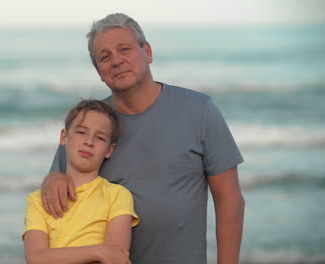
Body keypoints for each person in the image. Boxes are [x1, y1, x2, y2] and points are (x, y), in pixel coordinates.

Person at [41, 13, 245, 264]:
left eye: (124, 49)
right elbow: (58, 183)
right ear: (99, 72)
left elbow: (229, 198)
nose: (116, 61)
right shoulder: (91, 125)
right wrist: (53, 178)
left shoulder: (199, 110)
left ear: (147, 52)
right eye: (104, 57)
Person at [23, 99, 139, 264]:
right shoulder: (37, 200)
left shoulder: (117, 196)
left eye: (99, 137)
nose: (89, 142)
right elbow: (36, 258)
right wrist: (99, 251)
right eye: (81, 132)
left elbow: (116, 257)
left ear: (109, 150)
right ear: (64, 137)